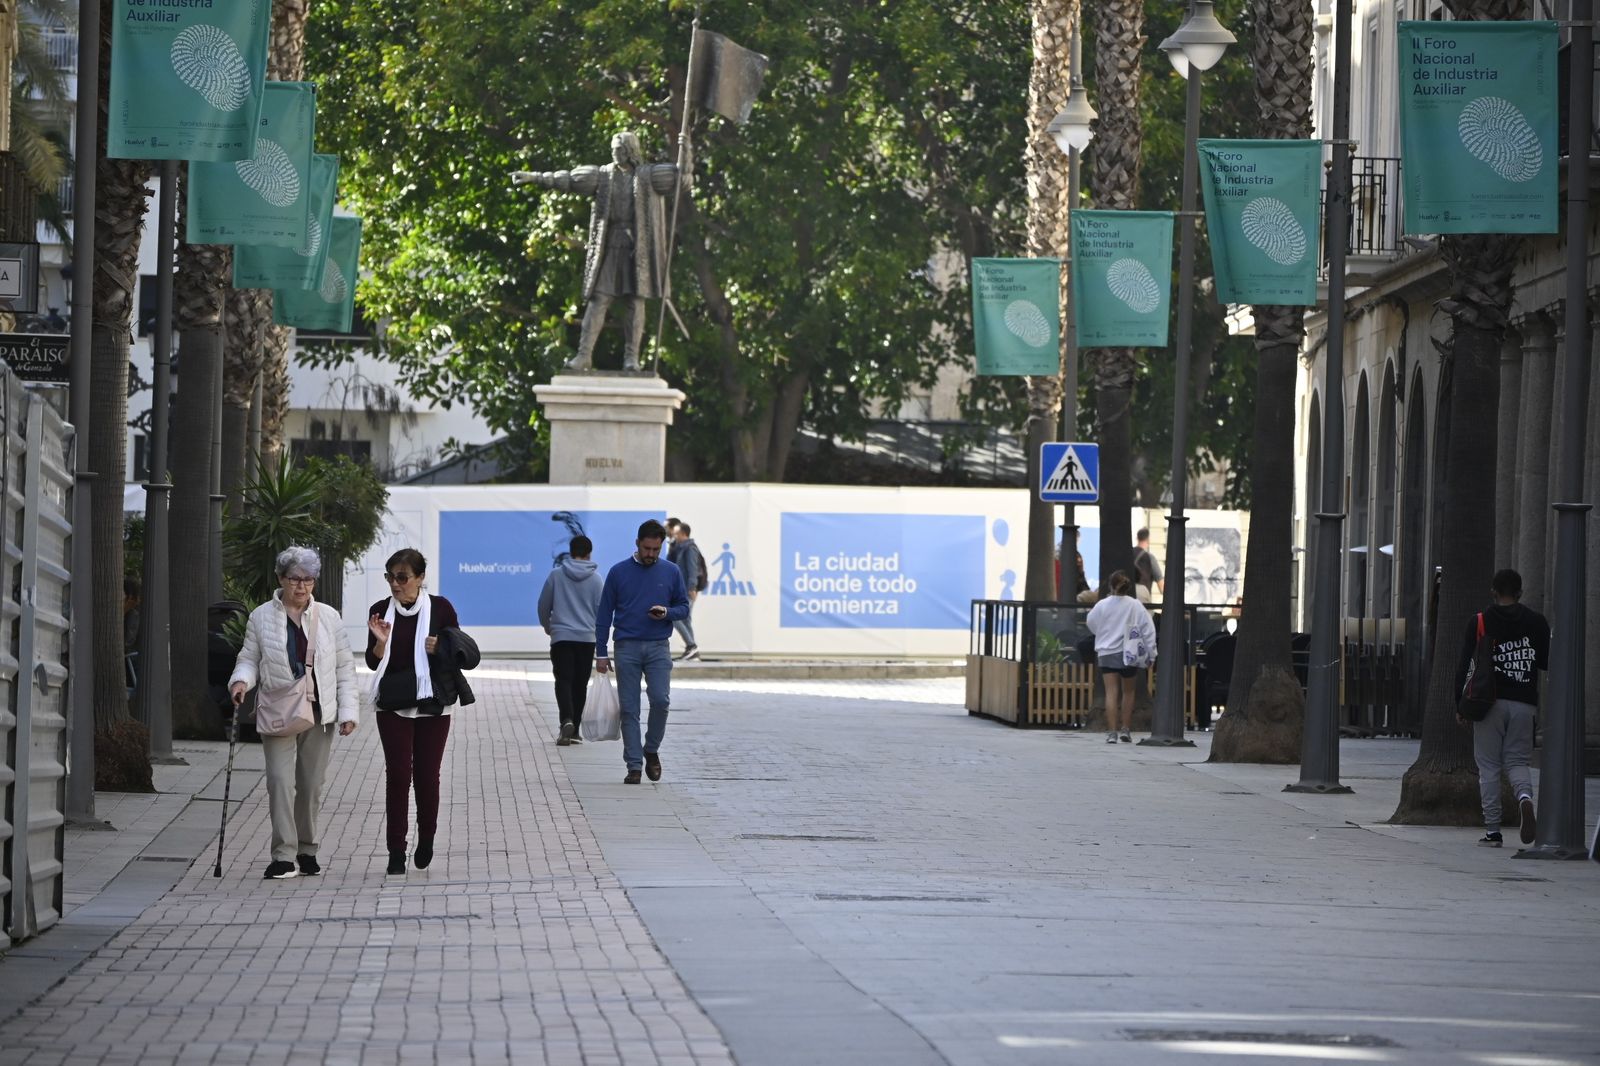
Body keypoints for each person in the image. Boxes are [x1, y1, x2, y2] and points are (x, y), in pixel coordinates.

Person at [228, 547, 358, 880]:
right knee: (279, 783)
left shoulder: (329, 617)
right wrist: (241, 681)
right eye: (294, 579)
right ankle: (283, 855)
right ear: (280, 578)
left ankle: (307, 849)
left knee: (311, 785)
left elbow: (344, 666)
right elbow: (248, 658)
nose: (301, 587)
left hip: (319, 711)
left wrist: (348, 711)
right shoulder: (261, 617)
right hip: (278, 709)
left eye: (308, 580)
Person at [511, 131, 687, 371]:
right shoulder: (603, 176)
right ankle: (584, 356)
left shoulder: (648, 176)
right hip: (611, 245)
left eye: (620, 149)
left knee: (635, 302)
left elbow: (682, 180)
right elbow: (569, 180)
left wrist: (686, 152)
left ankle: (631, 359)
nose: (615, 153)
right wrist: (536, 177)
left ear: (630, 150)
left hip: (638, 248)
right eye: (613, 149)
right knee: (598, 300)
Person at [366, 548, 465, 875]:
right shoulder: (380, 611)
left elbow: (458, 652)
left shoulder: (442, 608)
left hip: (433, 703)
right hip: (393, 703)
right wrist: (380, 643)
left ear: (420, 578)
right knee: (397, 775)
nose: (395, 584)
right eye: (390, 577)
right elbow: (372, 662)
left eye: (402, 577)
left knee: (427, 775)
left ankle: (426, 838)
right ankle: (396, 849)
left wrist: (441, 649)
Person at [1455, 568, 1550, 848]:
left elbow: (1464, 665)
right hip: (1524, 702)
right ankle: (1524, 799)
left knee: (1488, 766)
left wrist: (1458, 704)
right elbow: (1544, 662)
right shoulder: (1537, 622)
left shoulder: (1481, 621)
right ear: (1520, 593)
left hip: (1488, 703)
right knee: (1518, 761)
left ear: (1493, 592)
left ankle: (1493, 831)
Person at [595, 519, 690, 784]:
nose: (651, 555)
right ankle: (634, 765)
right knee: (629, 708)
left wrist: (667, 612)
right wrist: (601, 652)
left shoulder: (671, 572)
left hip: (659, 646)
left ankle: (651, 749)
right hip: (626, 647)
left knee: (661, 701)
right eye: (647, 549)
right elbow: (604, 614)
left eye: (656, 550)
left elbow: (683, 607)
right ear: (637, 543)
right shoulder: (618, 572)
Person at [539, 534, 604, 746]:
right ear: (589, 553)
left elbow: (543, 605)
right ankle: (575, 729)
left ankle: (565, 720)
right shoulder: (596, 579)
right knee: (580, 684)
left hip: (561, 638)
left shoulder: (556, 575)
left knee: (563, 680)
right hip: (586, 638)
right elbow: (601, 612)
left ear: (571, 551)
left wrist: (549, 627)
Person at [1087, 570, 1156, 744]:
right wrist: (1152, 653)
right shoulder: (1135, 605)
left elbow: (1091, 622)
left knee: (1111, 692)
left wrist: (1101, 633)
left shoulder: (1102, 605)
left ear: (1111, 586)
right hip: (1129, 653)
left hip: (1107, 652)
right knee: (1129, 692)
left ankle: (1112, 732)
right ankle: (1125, 729)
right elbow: (1148, 629)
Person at [671, 521, 706, 661]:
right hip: (682, 589)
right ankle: (692, 651)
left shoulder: (690, 548)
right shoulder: (681, 548)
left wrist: (692, 587)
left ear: (683, 533)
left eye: (677, 533)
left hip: (687, 590)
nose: (675, 536)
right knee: (686, 620)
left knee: (676, 618)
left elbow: (693, 569)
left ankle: (691, 646)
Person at [1133, 528, 1164, 596]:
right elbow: (1161, 585)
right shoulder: (1150, 558)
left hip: (1127, 599)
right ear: (1148, 540)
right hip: (1143, 600)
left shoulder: (1127, 554)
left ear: (1137, 538)